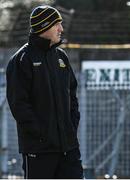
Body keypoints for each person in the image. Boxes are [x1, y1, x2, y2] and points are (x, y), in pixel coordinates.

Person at [6, 5, 83, 179]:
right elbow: (19, 105)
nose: (61, 29)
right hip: (39, 150)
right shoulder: (21, 60)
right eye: (57, 24)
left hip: (69, 148)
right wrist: (41, 135)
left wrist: (71, 127)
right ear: (44, 26)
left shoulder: (61, 57)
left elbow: (72, 96)